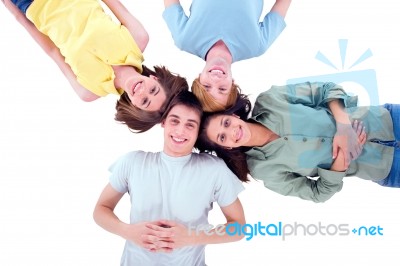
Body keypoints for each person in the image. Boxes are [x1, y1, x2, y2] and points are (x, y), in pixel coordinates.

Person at [93, 90, 246, 265]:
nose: (180, 131)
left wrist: (192, 237)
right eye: (175, 121)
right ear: (164, 122)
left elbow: (239, 227)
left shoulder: (213, 170)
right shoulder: (133, 162)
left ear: (198, 132)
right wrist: (127, 231)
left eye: (190, 125)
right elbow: (101, 209)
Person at [196, 81, 399, 203]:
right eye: (222, 137)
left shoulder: (271, 100)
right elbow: (317, 194)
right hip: (387, 168)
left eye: (226, 122)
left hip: (387, 119)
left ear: (235, 116)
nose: (231, 131)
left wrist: (344, 126)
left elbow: (326, 89)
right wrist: (341, 162)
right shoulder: (264, 170)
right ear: (227, 147)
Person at [3, 0, 188, 132]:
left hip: (30, 4)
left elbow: (52, 51)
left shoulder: (88, 91)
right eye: (153, 90)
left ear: (134, 105)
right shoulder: (138, 39)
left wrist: (16, 14)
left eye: (144, 101)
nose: (142, 92)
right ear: (154, 79)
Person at [162, 0, 292, 112]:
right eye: (222, 88)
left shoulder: (185, 39)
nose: (215, 80)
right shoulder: (256, 46)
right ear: (232, 83)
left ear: (199, 78)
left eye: (206, 86)